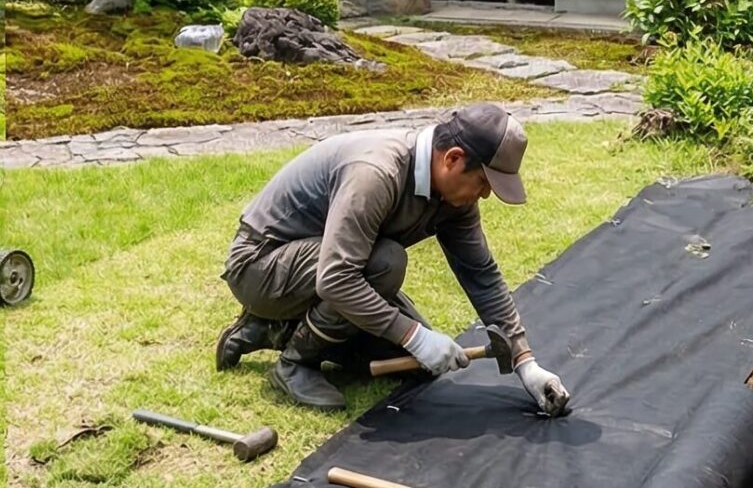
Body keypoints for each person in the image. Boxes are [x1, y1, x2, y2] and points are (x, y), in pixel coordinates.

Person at [213, 102, 574, 415]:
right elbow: (337, 278)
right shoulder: (377, 173)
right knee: (385, 264)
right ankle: (294, 363)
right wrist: (414, 335)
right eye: (483, 183)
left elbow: (479, 272)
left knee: (417, 364)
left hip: (322, 265)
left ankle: (269, 328)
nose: (485, 196)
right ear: (452, 159)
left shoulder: (452, 198)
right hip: (260, 265)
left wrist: (525, 362)